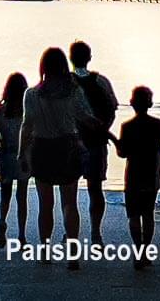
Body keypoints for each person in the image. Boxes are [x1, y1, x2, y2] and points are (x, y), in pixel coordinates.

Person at [19, 47, 105, 269]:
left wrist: (22, 153)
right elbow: (84, 116)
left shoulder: (32, 95)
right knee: (69, 203)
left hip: (42, 149)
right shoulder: (73, 92)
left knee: (45, 205)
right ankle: (73, 254)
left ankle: (46, 251)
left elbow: (27, 126)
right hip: (68, 147)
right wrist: (98, 126)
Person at [114, 86, 160, 270]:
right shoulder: (158, 125)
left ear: (131, 104)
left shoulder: (127, 127)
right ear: (150, 104)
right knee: (148, 215)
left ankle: (138, 252)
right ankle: (145, 252)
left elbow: (122, 153)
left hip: (133, 177)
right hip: (151, 176)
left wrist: (112, 139)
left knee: (133, 216)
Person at [69, 40, 119, 244]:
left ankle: (70, 229)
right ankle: (96, 232)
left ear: (70, 58)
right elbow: (112, 108)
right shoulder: (102, 81)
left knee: (69, 191)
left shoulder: (66, 83)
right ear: (89, 58)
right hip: (96, 142)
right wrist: (102, 129)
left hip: (71, 142)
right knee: (95, 189)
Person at [0, 73, 30, 246]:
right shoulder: (26, 110)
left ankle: (2, 221)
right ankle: (21, 235)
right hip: (22, 157)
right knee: (22, 197)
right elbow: (30, 135)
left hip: (5, 155)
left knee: (5, 195)